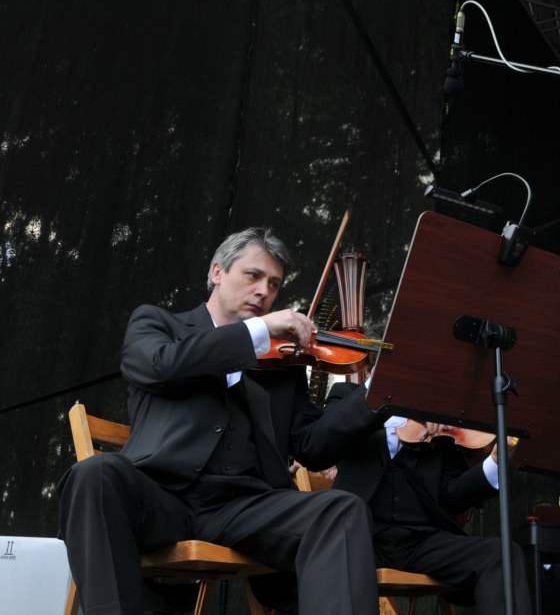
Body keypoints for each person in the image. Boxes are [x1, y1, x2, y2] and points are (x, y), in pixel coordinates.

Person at [57, 227, 381, 614]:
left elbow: (312, 446)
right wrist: (256, 331)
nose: (264, 291)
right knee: (93, 475)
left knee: (341, 510)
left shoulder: (284, 363)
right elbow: (160, 365)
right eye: (253, 275)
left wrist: (378, 392)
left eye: (274, 284)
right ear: (217, 272)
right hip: (160, 497)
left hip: (243, 508)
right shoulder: (158, 325)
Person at [305, 380, 533, 615]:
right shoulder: (348, 396)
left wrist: (494, 463)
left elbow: (451, 497)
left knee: (503, 555)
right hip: (360, 538)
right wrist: (394, 413)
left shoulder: (440, 411)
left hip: (421, 542)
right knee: (316, 561)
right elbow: (323, 442)